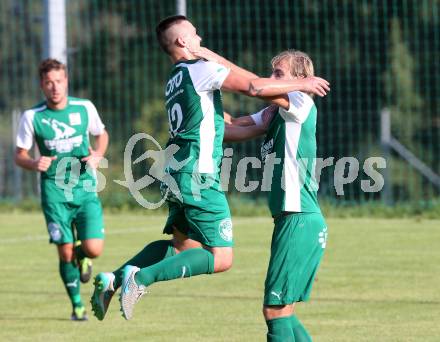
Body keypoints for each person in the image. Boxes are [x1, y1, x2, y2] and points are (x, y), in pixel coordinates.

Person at [90, 15, 329, 321]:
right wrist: (302, 82)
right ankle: (140, 280)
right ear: (182, 42)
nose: (200, 39)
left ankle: (116, 278)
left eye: (278, 73)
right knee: (222, 258)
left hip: (175, 172)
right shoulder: (200, 69)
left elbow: (233, 126)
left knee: (181, 247)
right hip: (198, 176)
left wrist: (263, 115)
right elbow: (255, 86)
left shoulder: (175, 79)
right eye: (195, 35)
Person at [223, 49, 328, 341]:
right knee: (283, 312)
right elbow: (233, 127)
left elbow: (256, 86)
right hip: (294, 220)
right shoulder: (276, 111)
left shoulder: (299, 100)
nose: (272, 79)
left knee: (275, 310)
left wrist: (207, 55)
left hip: (299, 219)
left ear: (302, 79)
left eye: (279, 74)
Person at [15, 58, 109, 321]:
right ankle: (77, 306)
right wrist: (34, 162)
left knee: (94, 249)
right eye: (49, 82)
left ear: (66, 81)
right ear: (42, 86)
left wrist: (98, 154)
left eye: (59, 81)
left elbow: (101, 134)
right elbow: (18, 155)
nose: (55, 87)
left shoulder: (84, 108)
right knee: (64, 252)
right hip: (54, 193)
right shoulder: (32, 116)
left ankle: (83, 254)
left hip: (84, 187)